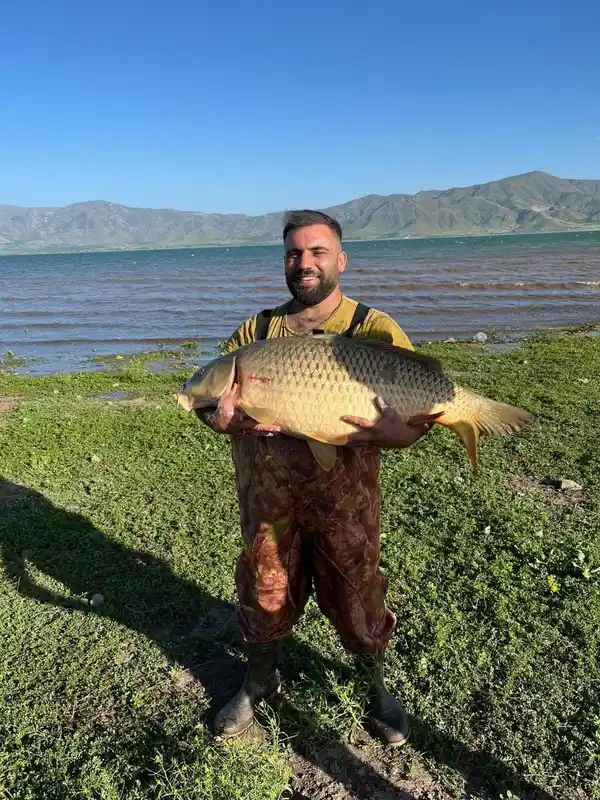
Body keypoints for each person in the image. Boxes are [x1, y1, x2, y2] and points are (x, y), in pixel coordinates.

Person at [194, 209, 432, 746]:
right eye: (294, 254)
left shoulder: (373, 328)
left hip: (345, 504)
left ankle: (376, 686)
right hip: (268, 503)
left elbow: (416, 422)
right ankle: (259, 682)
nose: (305, 263)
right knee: (263, 589)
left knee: (358, 591)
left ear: (340, 260)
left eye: (317, 251)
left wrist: (399, 434)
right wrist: (221, 420)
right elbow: (211, 404)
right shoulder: (255, 333)